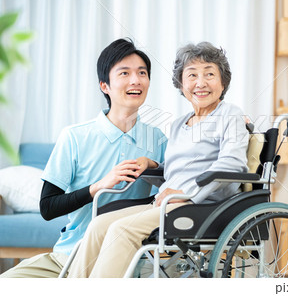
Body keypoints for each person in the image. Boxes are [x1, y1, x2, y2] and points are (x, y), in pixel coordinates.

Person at [67, 42, 249, 278]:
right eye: (192, 75)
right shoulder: (179, 123)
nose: (200, 83)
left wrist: (187, 195)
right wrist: (153, 165)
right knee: (98, 226)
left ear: (223, 82)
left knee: (122, 231)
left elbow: (232, 165)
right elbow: (180, 171)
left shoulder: (230, 114)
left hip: (204, 207)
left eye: (209, 74)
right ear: (181, 84)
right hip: (168, 204)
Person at [0, 38, 167, 278]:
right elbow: (47, 207)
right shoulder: (75, 136)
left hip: (130, 262)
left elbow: (175, 186)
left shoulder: (159, 139)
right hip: (68, 256)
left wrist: (153, 164)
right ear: (104, 85)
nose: (135, 80)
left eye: (142, 73)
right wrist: (97, 187)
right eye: (124, 73)